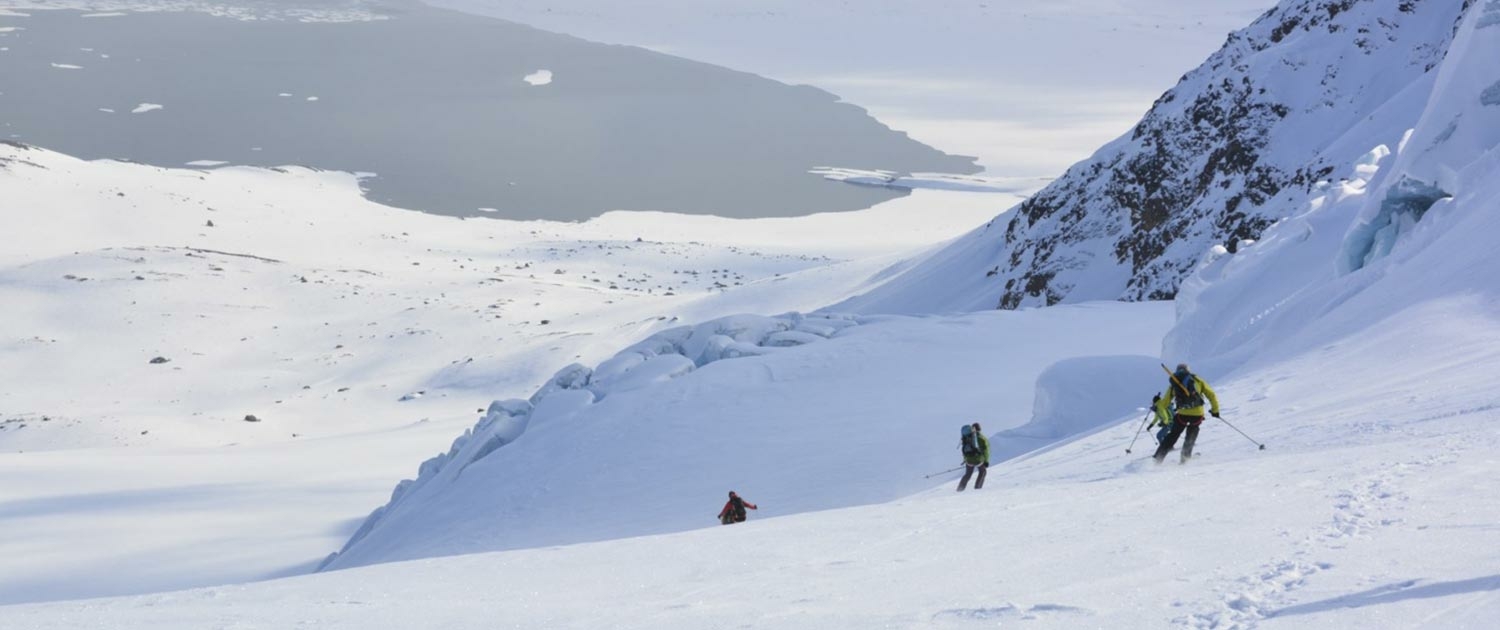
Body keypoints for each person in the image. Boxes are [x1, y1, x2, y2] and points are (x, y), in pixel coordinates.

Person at [1153, 363, 1221, 464]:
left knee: (1173, 435)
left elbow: (1165, 403)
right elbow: (1211, 394)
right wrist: (1215, 410)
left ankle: (1157, 459)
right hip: (1197, 414)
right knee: (1191, 436)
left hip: (1182, 415)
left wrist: (1157, 403)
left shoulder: (1175, 383)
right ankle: (1185, 459)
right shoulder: (1197, 379)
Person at [957, 422, 990, 491]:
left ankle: (959, 489)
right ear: (979, 429)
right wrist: (986, 461)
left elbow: (964, 450)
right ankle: (977, 489)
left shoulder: (966, 437)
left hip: (969, 460)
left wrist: (965, 459)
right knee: (983, 471)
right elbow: (986, 450)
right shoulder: (981, 438)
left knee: (968, 474)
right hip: (978, 459)